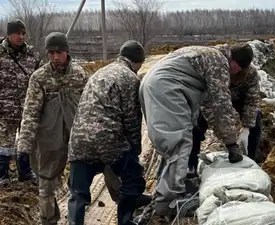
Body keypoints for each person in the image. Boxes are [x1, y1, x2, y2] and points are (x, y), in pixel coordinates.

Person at [139, 43, 254, 216]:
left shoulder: (207, 53)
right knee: (179, 142)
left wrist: (200, 126)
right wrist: (231, 144)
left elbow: (208, 105)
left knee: (172, 143)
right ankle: (168, 202)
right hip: (166, 88)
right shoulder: (219, 63)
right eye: (237, 71)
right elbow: (220, 105)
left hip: (152, 84)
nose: (235, 75)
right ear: (236, 64)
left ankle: (166, 189)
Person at [67, 40, 151, 225]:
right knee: (132, 177)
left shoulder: (99, 72)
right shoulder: (130, 78)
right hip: (108, 139)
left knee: (78, 193)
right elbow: (131, 120)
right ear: (138, 62)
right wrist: (134, 152)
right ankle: (126, 220)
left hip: (79, 140)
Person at [17, 32, 89, 225]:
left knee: (86, 177)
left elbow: (90, 107)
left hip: (78, 136)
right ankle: (48, 220)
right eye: (51, 53)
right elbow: (30, 114)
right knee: (46, 183)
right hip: (49, 138)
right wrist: (24, 147)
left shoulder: (80, 75)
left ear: (67, 51)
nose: (55, 57)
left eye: (59, 52)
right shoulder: (39, 78)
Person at [188, 44, 263, 176]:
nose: (235, 70)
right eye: (235, 65)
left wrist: (246, 128)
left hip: (238, 101)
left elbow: (252, 100)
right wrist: (229, 139)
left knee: (256, 119)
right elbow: (216, 102)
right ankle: (191, 165)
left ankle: (250, 159)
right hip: (212, 99)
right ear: (231, 58)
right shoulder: (216, 63)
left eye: (240, 68)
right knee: (197, 122)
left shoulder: (250, 74)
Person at [0, 19, 41, 185]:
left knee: (26, 140)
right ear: (9, 34)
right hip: (4, 108)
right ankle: (2, 174)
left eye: (23, 33)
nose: (21, 37)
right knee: (5, 141)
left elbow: (40, 79)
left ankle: (25, 172)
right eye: (17, 33)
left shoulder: (32, 55)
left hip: (27, 108)